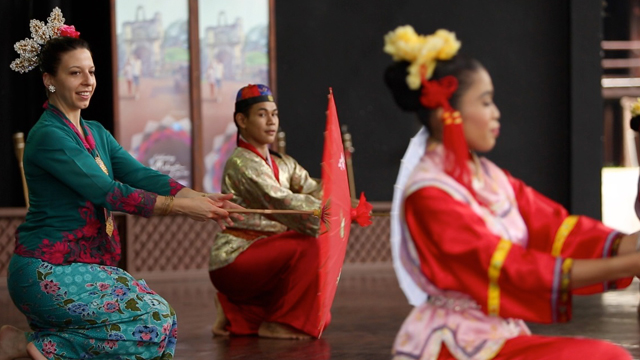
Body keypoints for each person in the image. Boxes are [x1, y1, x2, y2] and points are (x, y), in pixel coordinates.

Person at [384, 25, 638, 360]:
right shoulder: (430, 193)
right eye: (485, 102)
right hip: (454, 343)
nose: (496, 113)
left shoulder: (488, 177)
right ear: (450, 111)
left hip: (496, 334)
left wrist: (630, 244)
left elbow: (559, 230)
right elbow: (506, 268)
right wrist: (628, 264)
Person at [1, 9, 242, 360]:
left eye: (92, 72)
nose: (88, 81)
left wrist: (200, 197)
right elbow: (106, 191)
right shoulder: (49, 136)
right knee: (154, 318)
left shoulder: (94, 131)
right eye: (74, 73)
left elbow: (141, 175)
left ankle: (29, 344)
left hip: (82, 265)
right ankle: (44, 347)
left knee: (165, 325)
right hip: (45, 270)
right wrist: (180, 208)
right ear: (49, 80)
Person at [208, 84, 326, 339]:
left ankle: (232, 314)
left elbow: (313, 187)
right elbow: (281, 201)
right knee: (308, 246)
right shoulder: (241, 163)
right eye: (262, 114)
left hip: (267, 253)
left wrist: (345, 203)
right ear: (242, 120)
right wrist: (328, 213)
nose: (271, 121)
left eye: (274, 114)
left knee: (304, 254)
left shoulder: (283, 163)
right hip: (236, 255)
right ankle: (282, 324)